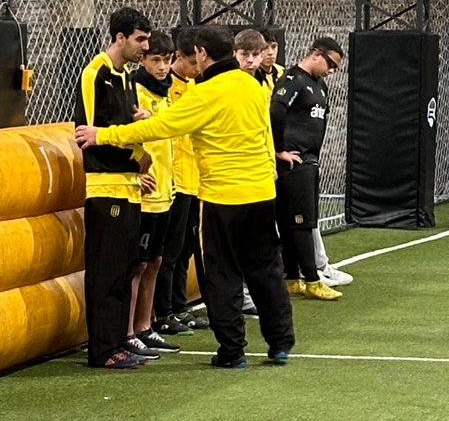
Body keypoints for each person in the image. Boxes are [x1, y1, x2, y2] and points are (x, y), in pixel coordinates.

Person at [88, 24, 295, 368]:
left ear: (202, 53)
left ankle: (232, 350)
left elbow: (162, 127)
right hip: (261, 192)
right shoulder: (252, 85)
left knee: (221, 274)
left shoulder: (205, 93)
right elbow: (264, 132)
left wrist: (103, 134)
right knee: (266, 269)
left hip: (221, 197)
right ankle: (280, 342)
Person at [73, 7, 153, 370]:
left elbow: (124, 130)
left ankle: (119, 341)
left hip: (129, 186)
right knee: (106, 272)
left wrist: (143, 134)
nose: (145, 47)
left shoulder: (126, 78)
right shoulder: (96, 73)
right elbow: (88, 134)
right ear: (120, 38)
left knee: (125, 268)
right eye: (140, 40)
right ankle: (102, 349)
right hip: (105, 187)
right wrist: (135, 155)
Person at [271, 37, 346, 301]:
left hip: (309, 160)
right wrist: (279, 149)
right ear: (316, 54)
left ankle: (292, 277)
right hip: (295, 161)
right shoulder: (294, 79)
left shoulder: (319, 85)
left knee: (296, 221)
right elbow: (276, 110)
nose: (331, 71)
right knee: (301, 222)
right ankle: (312, 279)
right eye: (330, 64)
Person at [126, 30, 180, 357]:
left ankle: (146, 326)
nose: (162, 66)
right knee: (137, 264)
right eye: (155, 60)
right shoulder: (136, 91)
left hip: (165, 192)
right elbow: (125, 135)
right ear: (143, 60)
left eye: (166, 60)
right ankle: (129, 331)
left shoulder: (166, 93)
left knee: (156, 260)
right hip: (144, 196)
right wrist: (136, 171)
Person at [153, 27, 205, 335]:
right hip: (173, 181)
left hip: (194, 179)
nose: (197, 68)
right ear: (178, 57)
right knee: (168, 252)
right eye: (193, 62)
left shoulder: (195, 87)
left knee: (185, 249)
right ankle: (164, 312)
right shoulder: (165, 88)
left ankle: (179, 306)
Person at [232, 28, 273, 317]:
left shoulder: (261, 84)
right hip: (230, 176)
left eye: (255, 55)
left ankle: (249, 293)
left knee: (255, 242)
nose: (250, 60)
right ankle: (235, 297)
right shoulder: (228, 84)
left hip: (257, 174)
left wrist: (270, 162)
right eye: (244, 54)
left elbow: (265, 128)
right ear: (234, 54)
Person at [257, 28, 285, 92]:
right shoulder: (253, 74)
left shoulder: (282, 72)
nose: (270, 52)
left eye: (274, 46)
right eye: (265, 47)